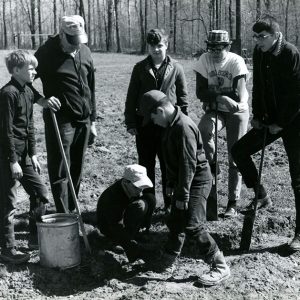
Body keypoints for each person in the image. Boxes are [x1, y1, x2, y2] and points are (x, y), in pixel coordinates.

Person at [139, 90, 230, 286]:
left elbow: (188, 164)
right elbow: (174, 161)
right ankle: (169, 259)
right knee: (175, 220)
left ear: (161, 110)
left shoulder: (183, 127)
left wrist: (182, 195)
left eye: (152, 117)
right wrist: (172, 184)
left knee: (193, 225)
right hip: (185, 180)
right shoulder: (171, 125)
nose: (153, 122)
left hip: (197, 181)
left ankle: (220, 265)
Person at [231, 16, 300, 251]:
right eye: (255, 37)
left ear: (275, 35)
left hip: (294, 123)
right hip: (268, 122)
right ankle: (261, 196)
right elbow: (258, 86)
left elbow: (296, 96)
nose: (257, 41)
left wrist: (281, 123)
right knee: (239, 151)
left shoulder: (291, 54)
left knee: (297, 178)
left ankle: (299, 234)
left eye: (262, 37)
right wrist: (259, 116)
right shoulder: (260, 53)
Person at [34, 15, 97, 213]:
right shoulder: (45, 53)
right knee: (61, 170)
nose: (76, 45)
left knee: (76, 168)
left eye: (79, 40)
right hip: (61, 121)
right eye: (72, 40)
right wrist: (41, 100)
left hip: (84, 119)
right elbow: (23, 81)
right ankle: (64, 215)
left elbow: (91, 87)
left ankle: (73, 209)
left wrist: (93, 121)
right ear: (62, 34)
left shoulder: (84, 50)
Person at [124, 28, 188, 212]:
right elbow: (131, 97)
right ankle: (148, 204)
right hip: (145, 125)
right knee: (146, 165)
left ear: (166, 45)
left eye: (160, 45)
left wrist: (182, 124)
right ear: (148, 47)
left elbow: (183, 100)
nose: (156, 50)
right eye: (152, 46)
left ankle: (170, 204)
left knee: (169, 165)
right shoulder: (140, 68)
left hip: (168, 126)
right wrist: (131, 122)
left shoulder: (176, 67)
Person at [0, 50, 50, 263]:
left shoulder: (28, 90)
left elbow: (29, 126)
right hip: (6, 157)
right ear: (16, 70)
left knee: (40, 192)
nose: (34, 72)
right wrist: (13, 161)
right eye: (31, 69)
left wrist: (34, 154)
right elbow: (6, 131)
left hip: (24, 156)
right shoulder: (7, 94)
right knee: (8, 203)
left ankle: (35, 239)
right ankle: (7, 250)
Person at [194, 30, 249, 218]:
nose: (216, 52)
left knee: (235, 154)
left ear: (227, 47)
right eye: (212, 47)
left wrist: (216, 96)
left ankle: (232, 202)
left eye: (220, 47)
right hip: (215, 109)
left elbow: (238, 95)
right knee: (203, 129)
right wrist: (221, 96)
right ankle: (212, 164)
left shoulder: (236, 62)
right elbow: (200, 91)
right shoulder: (204, 60)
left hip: (237, 111)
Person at [96, 164, 156, 262]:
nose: (140, 192)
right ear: (125, 182)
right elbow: (116, 226)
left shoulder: (129, 188)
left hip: (123, 218)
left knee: (150, 198)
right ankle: (118, 241)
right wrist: (130, 246)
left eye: (142, 188)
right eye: (137, 187)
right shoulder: (113, 198)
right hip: (111, 228)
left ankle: (142, 231)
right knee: (140, 206)